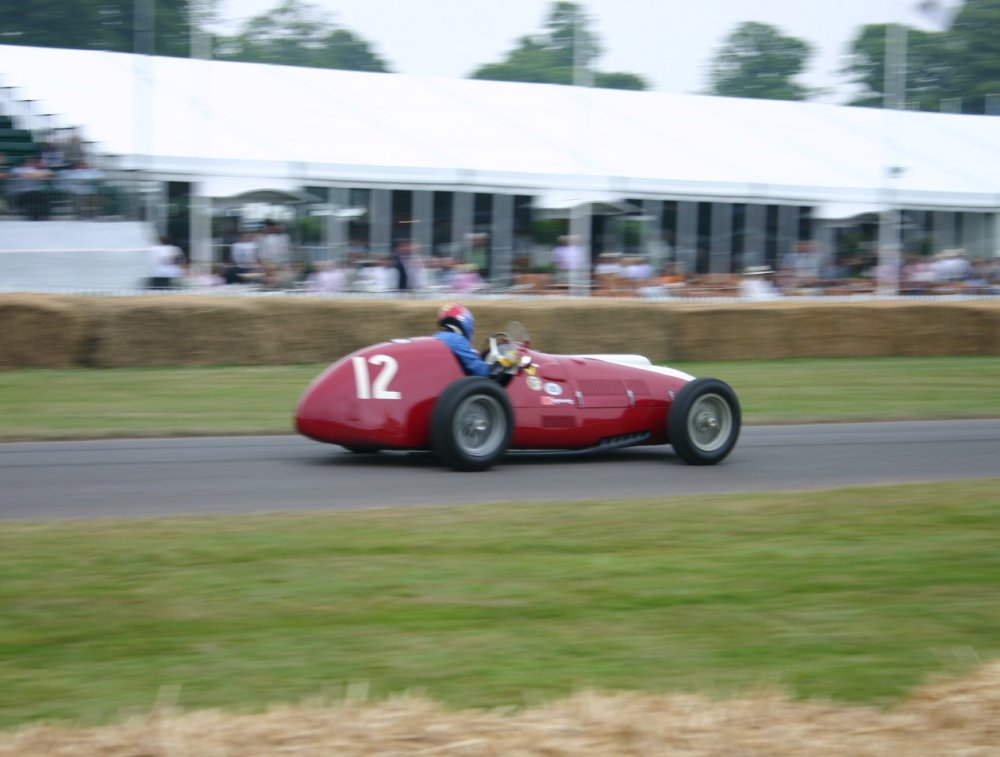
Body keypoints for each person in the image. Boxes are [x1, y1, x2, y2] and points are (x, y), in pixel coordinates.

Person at [434, 303, 516, 379]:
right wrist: (504, 361)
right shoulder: (457, 340)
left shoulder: (437, 337)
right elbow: (482, 372)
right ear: (465, 321)